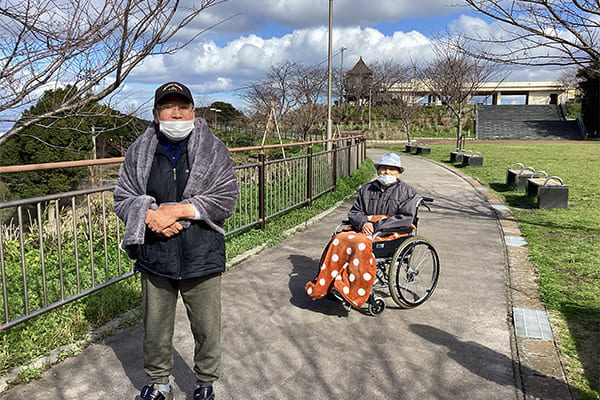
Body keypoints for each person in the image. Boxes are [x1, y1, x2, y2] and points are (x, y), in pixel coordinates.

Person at [114, 82, 238, 400]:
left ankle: (205, 382)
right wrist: (149, 215)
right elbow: (122, 197)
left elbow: (226, 199)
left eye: (182, 107)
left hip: (202, 251)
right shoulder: (139, 152)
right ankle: (159, 382)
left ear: (193, 112)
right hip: (155, 252)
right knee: (155, 327)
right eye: (168, 107)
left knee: (207, 327)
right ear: (156, 114)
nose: (176, 113)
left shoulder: (215, 149)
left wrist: (181, 211)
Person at [305, 152, 417, 308]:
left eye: (392, 169)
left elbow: (405, 218)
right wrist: (364, 222)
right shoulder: (367, 189)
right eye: (383, 168)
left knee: (361, 244)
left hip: (391, 233)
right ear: (378, 171)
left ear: (399, 172)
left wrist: (377, 225)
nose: (386, 172)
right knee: (339, 239)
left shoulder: (407, 192)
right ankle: (329, 284)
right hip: (364, 229)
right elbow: (355, 212)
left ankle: (351, 291)